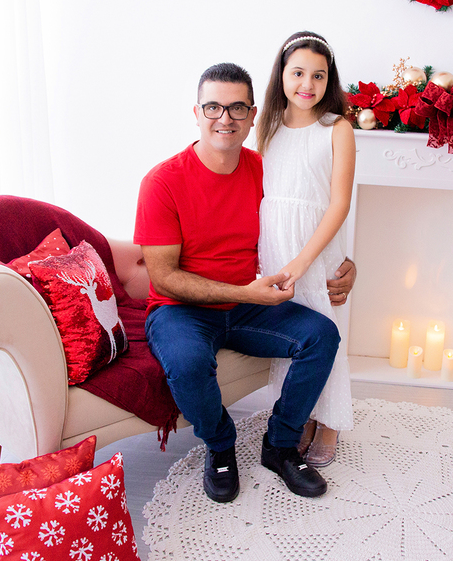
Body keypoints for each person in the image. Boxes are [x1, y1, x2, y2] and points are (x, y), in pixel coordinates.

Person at [135, 62, 356, 503]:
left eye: (237, 108)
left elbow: (310, 215)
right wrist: (244, 293)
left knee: (321, 336)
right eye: (213, 107)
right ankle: (220, 446)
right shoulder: (162, 182)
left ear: (253, 115)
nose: (225, 118)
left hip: (246, 305)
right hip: (181, 311)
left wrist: (347, 263)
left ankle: (280, 443)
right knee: (189, 363)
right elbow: (165, 278)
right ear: (195, 113)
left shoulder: (262, 168)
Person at [256, 32, 354, 467]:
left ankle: (330, 421)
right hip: (274, 243)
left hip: (315, 244)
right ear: (281, 76)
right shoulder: (268, 128)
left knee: (324, 327)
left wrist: (303, 259)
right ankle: (301, 417)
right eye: (297, 73)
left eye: (318, 75)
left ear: (328, 79)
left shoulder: (337, 129)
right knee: (294, 333)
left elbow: (339, 202)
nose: (307, 84)